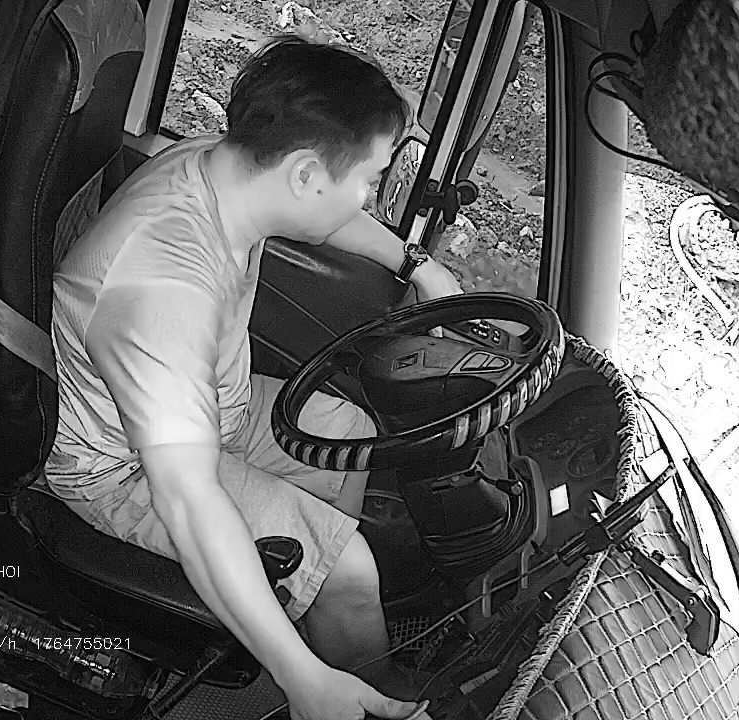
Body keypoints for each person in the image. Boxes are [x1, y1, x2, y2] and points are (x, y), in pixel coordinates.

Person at [45, 36, 462, 720]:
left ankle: (305, 611)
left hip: (212, 404)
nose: (367, 196)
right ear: (306, 174)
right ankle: (347, 686)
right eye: (369, 180)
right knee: (350, 568)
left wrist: (417, 264)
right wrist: (303, 678)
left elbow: (328, 220)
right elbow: (187, 499)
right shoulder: (163, 288)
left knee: (348, 431)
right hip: (120, 465)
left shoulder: (226, 163)